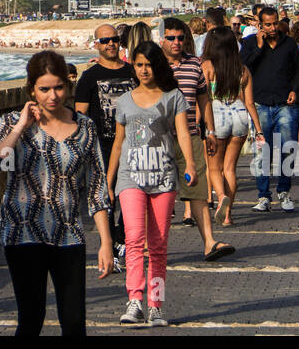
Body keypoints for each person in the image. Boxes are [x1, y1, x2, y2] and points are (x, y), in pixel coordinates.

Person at [0, 50, 113, 336]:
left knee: (74, 321)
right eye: (44, 89)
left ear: (68, 86)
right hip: (21, 232)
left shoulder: (85, 128)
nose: (53, 96)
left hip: (68, 232)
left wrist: (105, 242)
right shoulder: (11, 124)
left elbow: (97, 189)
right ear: (31, 90)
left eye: (59, 87)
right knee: (31, 318)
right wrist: (20, 127)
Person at [107, 41, 208, 327]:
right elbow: (118, 143)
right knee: (134, 240)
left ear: (157, 66)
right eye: (138, 65)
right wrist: (109, 176)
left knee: (159, 244)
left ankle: (156, 304)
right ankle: (135, 300)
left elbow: (183, 133)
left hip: (163, 177)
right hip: (131, 177)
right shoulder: (124, 100)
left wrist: (189, 164)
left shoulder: (173, 97)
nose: (143, 70)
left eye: (148, 65)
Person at [160, 18, 229, 258]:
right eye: (171, 38)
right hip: (160, 139)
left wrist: (209, 130)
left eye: (180, 37)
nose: (177, 42)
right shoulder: (153, 65)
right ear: (162, 39)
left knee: (198, 192)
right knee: (158, 194)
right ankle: (152, 246)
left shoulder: (194, 64)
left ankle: (209, 242)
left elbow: (203, 99)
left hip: (189, 136)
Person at [73, 23, 137, 270]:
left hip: (133, 145)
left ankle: (123, 239)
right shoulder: (89, 77)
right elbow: (81, 115)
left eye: (115, 39)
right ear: (96, 44)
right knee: (106, 198)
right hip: (102, 147)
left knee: (131, 197)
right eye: (105, 40)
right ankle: (111, 246)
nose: (111, 44)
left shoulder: (133, 72)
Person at [241, 6, 299, 212]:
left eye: (275, 23)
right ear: (259, 24)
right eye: (267, 24)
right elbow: (243, 68)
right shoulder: (250, 43)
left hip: (285, 105)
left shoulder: (288, 44)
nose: (272, 28)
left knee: (287, 148)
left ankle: (284, 191)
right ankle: (263, 196)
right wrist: (259, 46)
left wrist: (295, 90)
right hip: (260, 104)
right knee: (262, 153)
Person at [200, 28, 262, 225]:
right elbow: (250, 103)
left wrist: (198, 122)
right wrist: (259, 130)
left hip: (216, 116)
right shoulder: (243, 69)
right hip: (240, 116)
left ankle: (220, 198)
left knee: (213, 167)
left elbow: (202, 98)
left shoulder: (207, 66)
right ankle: (227, 216)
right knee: (230, 169)